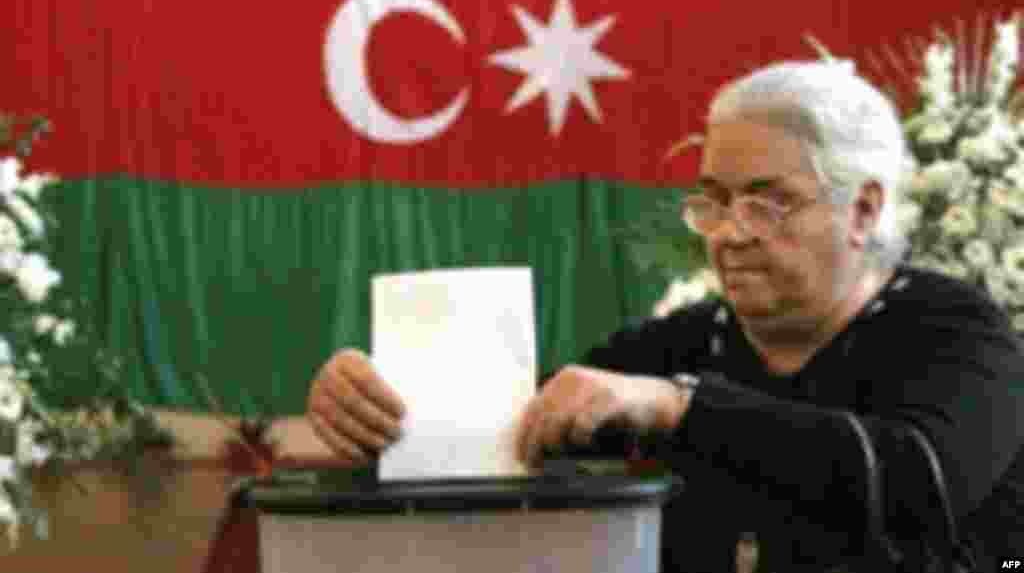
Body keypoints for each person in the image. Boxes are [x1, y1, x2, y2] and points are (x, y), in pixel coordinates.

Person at [307, 61, 1024, 572]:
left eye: (767, 202)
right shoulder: (685, 341)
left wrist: (681, 406)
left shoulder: (959, 332)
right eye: (713, 200)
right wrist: (378, 410)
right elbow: (512, 427)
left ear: (862, 209)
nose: (728, 232)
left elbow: (918, 483)